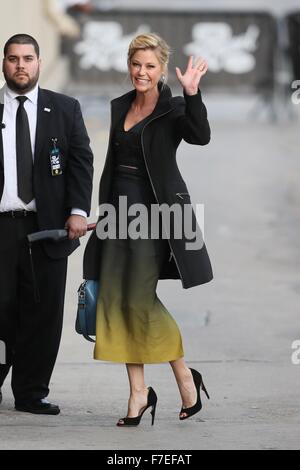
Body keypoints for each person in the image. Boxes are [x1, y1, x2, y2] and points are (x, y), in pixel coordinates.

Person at [83, 33, 213, 426]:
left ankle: (185, 378)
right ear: (129, 65)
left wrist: (192, 95)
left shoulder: (172, 108)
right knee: (116, 302)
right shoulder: (120, 105)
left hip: (153, 218)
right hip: (117, 216)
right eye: (136, 64)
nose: (141, 72)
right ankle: (138, 393)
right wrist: (103, 214)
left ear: (161, 69)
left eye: (150, 66)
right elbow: (112, 164)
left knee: (139, 302)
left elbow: (200, 135)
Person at [0, 34, 93, 414]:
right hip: (1, 226)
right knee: (0, 311)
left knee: (43, 312)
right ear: (4, 64)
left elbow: (81, 163)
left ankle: (31, 392)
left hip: (48, 227)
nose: (20, 65)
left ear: (39, 62)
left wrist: (78, 210)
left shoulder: (64, 108)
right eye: (12, 59)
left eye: (27, 58)